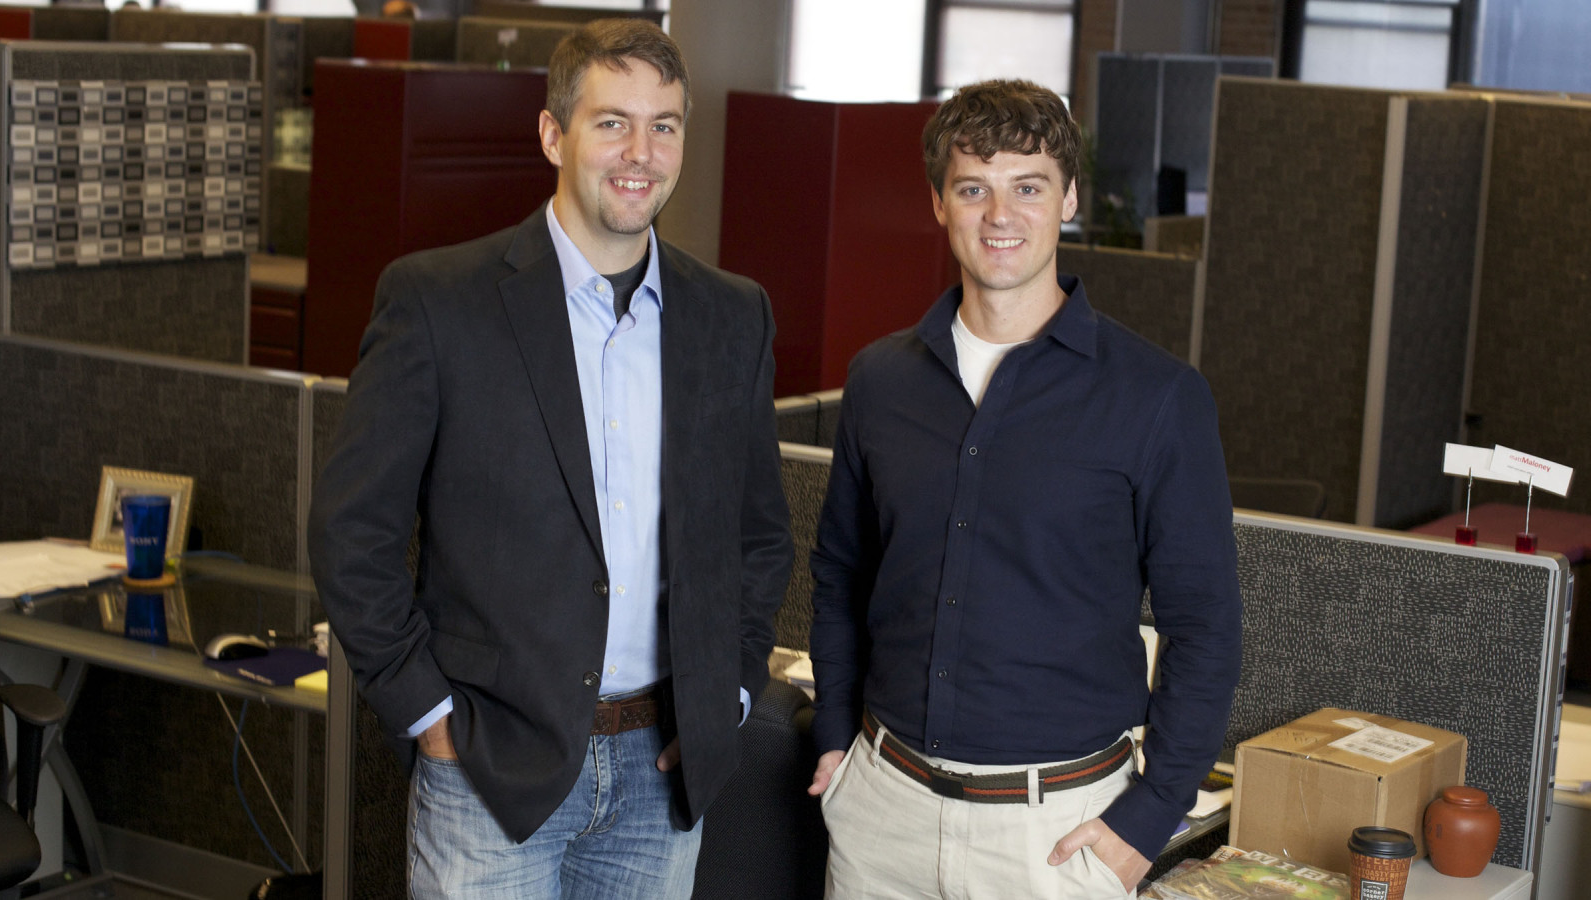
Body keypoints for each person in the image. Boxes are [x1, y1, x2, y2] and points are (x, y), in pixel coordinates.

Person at [308, 18, 793, 899]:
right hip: (490, 769)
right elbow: (353, 531)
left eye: (665, 125)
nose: (640, 151)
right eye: (612, 122)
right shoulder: (437, 301)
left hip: (663, 772)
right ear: (552, 134)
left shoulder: (732, 314)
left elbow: (756, 535)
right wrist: (429, 715)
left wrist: (729, 693)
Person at [806, 78, 1242, 899]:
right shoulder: (880, 381)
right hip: (880, 817)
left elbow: (1206, 627)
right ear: (940, 203)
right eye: (974, 188)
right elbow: (840, 575)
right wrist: (835, 738)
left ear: (1068, 197)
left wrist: (1147, 820)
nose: (999, 215)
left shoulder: (1156, 397)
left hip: (1056, 837)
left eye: (1028, 187)